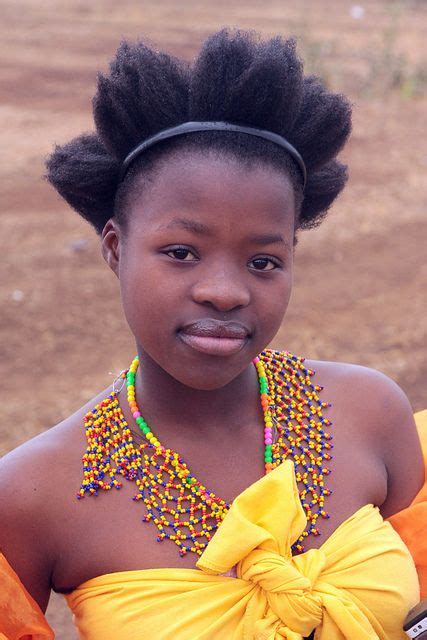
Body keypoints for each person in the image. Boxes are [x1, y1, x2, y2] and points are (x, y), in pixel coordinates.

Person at [0, 28, 425, 640]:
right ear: (116, 248)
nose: (225, 291)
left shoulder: (370, 412)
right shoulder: (35, 494)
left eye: (263, 262)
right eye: (181, 252)